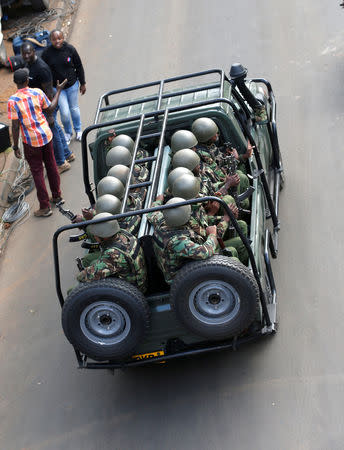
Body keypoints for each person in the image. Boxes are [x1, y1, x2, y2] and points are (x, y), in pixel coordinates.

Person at [8, 68, 67, 217]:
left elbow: (15, 126)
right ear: (28, 80)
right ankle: (57, 196)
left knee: (37, 172)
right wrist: (58, 90)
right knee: (52, 165)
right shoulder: (37, 93)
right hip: (46, 136)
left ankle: (45, 207)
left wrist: (15, 146)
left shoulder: (13, 101)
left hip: (30, 141)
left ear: (15, 83)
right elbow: (51, 108)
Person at [21, 42, 75, 174]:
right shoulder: (29, 64)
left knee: (52, 132)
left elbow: (49, 92)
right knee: (55, 127)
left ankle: (61, 163)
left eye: (29, 53)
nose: (26, 56)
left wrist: (50, 113)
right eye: (24, 54)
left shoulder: (41, 69)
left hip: (47, 105)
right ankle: (67, 154)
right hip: (40, 105)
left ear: (34, 51)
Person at [150, 197, 218, 284]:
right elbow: (204, 252)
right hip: (181, 280)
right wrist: (212, 234)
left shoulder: (162, 221)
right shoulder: (178, 241)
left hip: (181, 268)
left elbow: (152, 212)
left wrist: (159, 200)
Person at [76, 212, 147, 293]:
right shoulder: (124, 234)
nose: (95, 237)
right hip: (137, 279)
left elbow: (84, 277)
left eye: (96, 235)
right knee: (91, 261)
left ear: (104, 237)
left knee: (72, 291)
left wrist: (80, 275)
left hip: (133, 292)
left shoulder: (113, 255)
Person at [42, 29, 86, 144]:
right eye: (54, 39)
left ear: (63, 38)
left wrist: (83, 83)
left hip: (72, 85)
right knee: (65, 112)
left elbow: (79, 66)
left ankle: (78, 130)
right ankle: (67, 132)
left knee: (74, 109)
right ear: (50, 40)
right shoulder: (46, 53)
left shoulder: (70, 49)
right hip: (57, 89)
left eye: (59, 38)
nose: (57, 41)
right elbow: (44, 71)